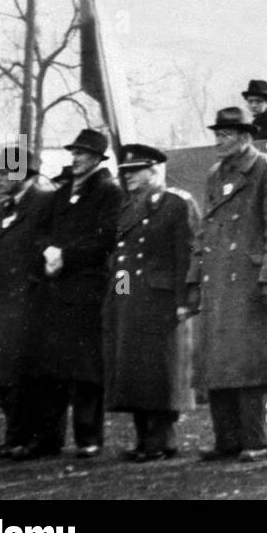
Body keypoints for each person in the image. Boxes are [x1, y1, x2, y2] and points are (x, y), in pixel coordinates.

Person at [16, 129, 124, 460]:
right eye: (74, 152)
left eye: (82, 153)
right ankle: (47, 438)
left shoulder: (108, 192)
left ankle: (88, 437)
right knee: (50, 367)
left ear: (96, 158)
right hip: (54, 287)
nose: (75, 158)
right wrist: (47, 251)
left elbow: (105, 238)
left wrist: (66, 256)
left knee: (86, 367)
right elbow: (40, 231)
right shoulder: (61, 195)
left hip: (86, 288)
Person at [196, 105, 267, 463]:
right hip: (219, 279)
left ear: (245, 136)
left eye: (227, 134)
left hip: (251, 280)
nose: (220, 141)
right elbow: (205, 228)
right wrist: (196, 276)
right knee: (220, 363)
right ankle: (227, 439)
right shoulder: (214, 174)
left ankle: (261, 438)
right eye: (217, 134)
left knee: (257, 366)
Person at [103, 143, 202, 461]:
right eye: (125, 172)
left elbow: (188, 254)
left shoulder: (176, 203)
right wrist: (118, 300)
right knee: (134, 371)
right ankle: (144, 438)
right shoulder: (128, 208)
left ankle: (162, 439)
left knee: (161, 372)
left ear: (154, 170)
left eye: (135, 171)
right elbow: (121, 258)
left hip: (162, 301)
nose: (128, 177)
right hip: (131, 300)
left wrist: (186, 299)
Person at [0, 143, 54, 457]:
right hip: (1, 302)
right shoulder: (1, 208)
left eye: (4, 171)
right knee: (4, 373)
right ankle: (15, 435)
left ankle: (35, 437)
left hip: (30, 301)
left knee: (29, 374)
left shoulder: (44, 202)